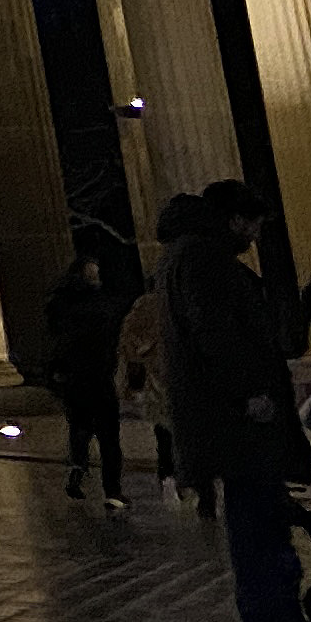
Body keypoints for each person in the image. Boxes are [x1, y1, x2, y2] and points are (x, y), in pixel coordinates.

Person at [166, 178, 307, 622]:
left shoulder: (186, 256)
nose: (256, 236)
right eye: (254, 225)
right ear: (233, 221)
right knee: (260, 532)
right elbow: (217, 333)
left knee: (260, 527)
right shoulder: (205, 261)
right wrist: (250, 393)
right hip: (241, 424)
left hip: (229, 421)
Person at [123, 192, 205, 514]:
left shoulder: (152, 305)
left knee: (171, 432)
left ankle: (178, 478)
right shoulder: (161, 304)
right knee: (173, 432)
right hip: (169, 377)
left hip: (170, 377)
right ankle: (178, 478)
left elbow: (131, 345)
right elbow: (133, 345)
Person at [44, 244, 131, 511]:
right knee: (108, 436)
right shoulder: (100, 306)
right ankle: (113, 491)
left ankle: (78, 466)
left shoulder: (60, 304)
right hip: (98, 374)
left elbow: (55, 338)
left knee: (80, 427)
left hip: (71, 377)